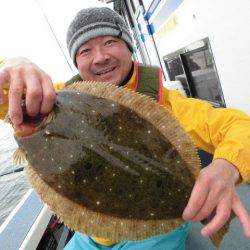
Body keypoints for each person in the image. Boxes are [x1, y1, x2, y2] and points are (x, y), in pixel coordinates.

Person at [0, 7, 250, 250]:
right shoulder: (49, 99)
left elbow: (240, 126)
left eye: (109, 42)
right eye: (85, 50)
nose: (100, 57)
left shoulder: (166, 105)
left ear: (129, 47)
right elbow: (5, 96)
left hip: (154, 230)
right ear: (76, 62)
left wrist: (227, 166)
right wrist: (12, 65)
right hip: (92, 235)